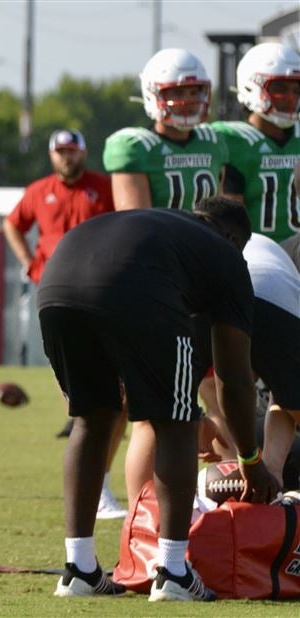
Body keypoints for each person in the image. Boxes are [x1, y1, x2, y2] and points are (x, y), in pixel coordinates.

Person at [39, 199, 278, 601]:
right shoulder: (224, 253)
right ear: (234, 237)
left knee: (92, 418)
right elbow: (233, 378)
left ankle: (78, 568)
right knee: (178, 419)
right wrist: (252, 461)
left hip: (57, 284)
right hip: (133, 290)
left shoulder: (164, 226)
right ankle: (173, 571)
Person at [102, 48, 228, 506]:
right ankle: (140, 516)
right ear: (154, 96)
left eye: (196, 91)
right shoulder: (135, 145)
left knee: (216, 395)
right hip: (158, 286)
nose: (189, 101)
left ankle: (214, 497)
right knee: (151, 414)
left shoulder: (216, 140)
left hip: (202, 284)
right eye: (178, 92)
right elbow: (133, 223)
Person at [3, 129, 124, 518]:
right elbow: (13, 224)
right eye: (61, 152)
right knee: (69, 366)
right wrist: (26, 259)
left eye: (72, 151)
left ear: (83, 153)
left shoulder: (104, 186)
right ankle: (79, 420)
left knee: (111, 379)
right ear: (52, 156)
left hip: (100, 286)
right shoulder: (39, 190)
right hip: (53, 285)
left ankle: (91, 447)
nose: (67, 158)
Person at [192, 199, 300, 491]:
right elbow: (286, 400)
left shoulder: (195, 253)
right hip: (269, 300)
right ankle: (268, 476)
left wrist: (194, 416)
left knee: (168, 415)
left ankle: (152, 522)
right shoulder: (273, 267)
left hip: (201, 296)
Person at [211, 42, 300, 243]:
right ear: (251, 86)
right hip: (257, 252)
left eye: (297, 89)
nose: (291, 97)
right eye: (280, 88)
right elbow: (231, 225)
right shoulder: (234, 141)